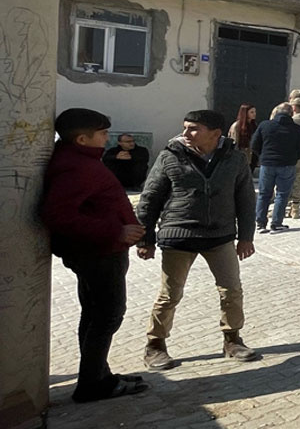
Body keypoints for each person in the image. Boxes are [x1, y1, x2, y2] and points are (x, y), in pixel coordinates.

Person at [136, 109, 260, 370]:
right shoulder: (170, 156)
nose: (185, 133)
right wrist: (145, 238)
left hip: (220, 236)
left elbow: (246, 199)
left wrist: (246, 237)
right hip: (179, 235)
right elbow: (150, 199)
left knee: (232, 290)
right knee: (170, 295)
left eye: (193, 129)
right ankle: (155, 345)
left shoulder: (234, 158)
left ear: (215, 134)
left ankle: (232, 340)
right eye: (185, 127)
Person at [40, 109, 150, 402]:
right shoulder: (76, 166)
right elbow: (57, 214)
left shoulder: (78, 159)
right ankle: (92, 384)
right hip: (98, 253)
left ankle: (98, 374)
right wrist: (114, 231)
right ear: (83, 138)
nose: (107, 138)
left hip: (98, 251)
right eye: (102, 133)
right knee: (107, 316)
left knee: (95, 315)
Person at [249, 103, 300, 232]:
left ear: (275, 113)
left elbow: (254, 144)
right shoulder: (297, 129)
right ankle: (276, 223)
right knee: (282, 194)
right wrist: (293, 158)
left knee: (264, 194)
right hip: (287, 165)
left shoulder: (264, 126)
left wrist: (263, 156)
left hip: (267, 164)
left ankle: (260, 223)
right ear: (291, 114)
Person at [227, 104, 258, 168]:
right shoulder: (236, 126)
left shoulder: (254, 125)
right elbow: (234, 141)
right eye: (252, 112)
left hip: (252, 156)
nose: (254, 114)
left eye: (255, 112)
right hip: (241, 155)